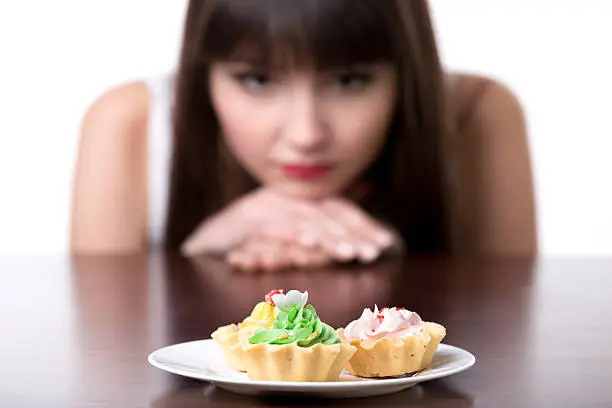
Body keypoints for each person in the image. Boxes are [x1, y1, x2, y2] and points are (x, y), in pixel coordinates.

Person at [70, 0, 537, 270]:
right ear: (202, 72)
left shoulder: (476, 115)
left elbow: (508, 337)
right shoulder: (130, 123)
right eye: (257, 80)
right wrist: (203, 251)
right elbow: (102, 356)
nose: (306, 135)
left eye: (349, 81)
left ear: (406, 72)